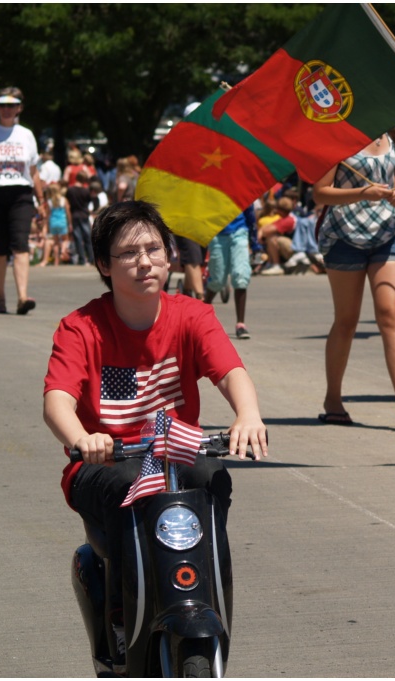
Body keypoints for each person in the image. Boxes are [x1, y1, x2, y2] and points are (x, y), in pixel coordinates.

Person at [43, 200, 267, 669]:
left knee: (211, 474)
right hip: (105, 465)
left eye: (154, 249)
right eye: (128, 253)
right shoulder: (80, 327)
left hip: (176, 457)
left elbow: (231, 372)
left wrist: (248, 414)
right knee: (128, 485)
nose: (144, 261)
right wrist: (83, 438)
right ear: (104, 264)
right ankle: (121, 616)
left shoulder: (193, 315)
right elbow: (57, 401)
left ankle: (209, 593)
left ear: (170, 255)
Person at [313, 129, 395, 432]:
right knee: (346, 321)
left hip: (387, 236)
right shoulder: (338, 137)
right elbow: (320, 192)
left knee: (391, 314)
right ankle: (333, 400)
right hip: (343, 237)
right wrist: (362, 193)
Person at [0, 86, 45, 314]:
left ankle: (23, 297)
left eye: (11, 105)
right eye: (2, 105)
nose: (6, 109)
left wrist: (41, 200)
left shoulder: (26, 135)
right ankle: (0, 298)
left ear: (19, 108)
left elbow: (33, 171)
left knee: (20, 244)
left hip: (20, 194)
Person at [204, 206, 255, 340]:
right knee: (217, 281)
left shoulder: (241, 191)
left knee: (240, 276)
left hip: (240, 231)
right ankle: (201, 312)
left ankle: (240, 324)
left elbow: (250, 212)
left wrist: (255, 243)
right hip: (217, 234)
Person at [256, 196, 296, 275]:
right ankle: (270, 263)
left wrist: (261, 232)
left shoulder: (289, 219)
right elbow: (266, 227)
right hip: (289, 247)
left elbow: (267, 231)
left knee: (272, 238)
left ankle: (276, 265)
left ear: (281, 210)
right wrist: (261, 231)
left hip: (294, 249)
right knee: (270, 236)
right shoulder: (283, 218)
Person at [67, 169, 94, 265]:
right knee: (87, 237)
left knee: (78, 237)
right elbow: (90, 201)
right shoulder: (86, 191)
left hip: (74, 214)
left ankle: (82, 259)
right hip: (84, 214)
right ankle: (91, 258)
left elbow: (68, 203)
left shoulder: (70, 190)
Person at [42, 183, 71, 267]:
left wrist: (47, 225)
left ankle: (56, 262)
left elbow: (48, 215)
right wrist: (70, 223)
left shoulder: (49, 201)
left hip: (53, 222)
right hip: (62, 222)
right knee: (65, 240)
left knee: (56, 242)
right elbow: (68, 212)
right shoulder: (63, 200)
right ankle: (63, 250)